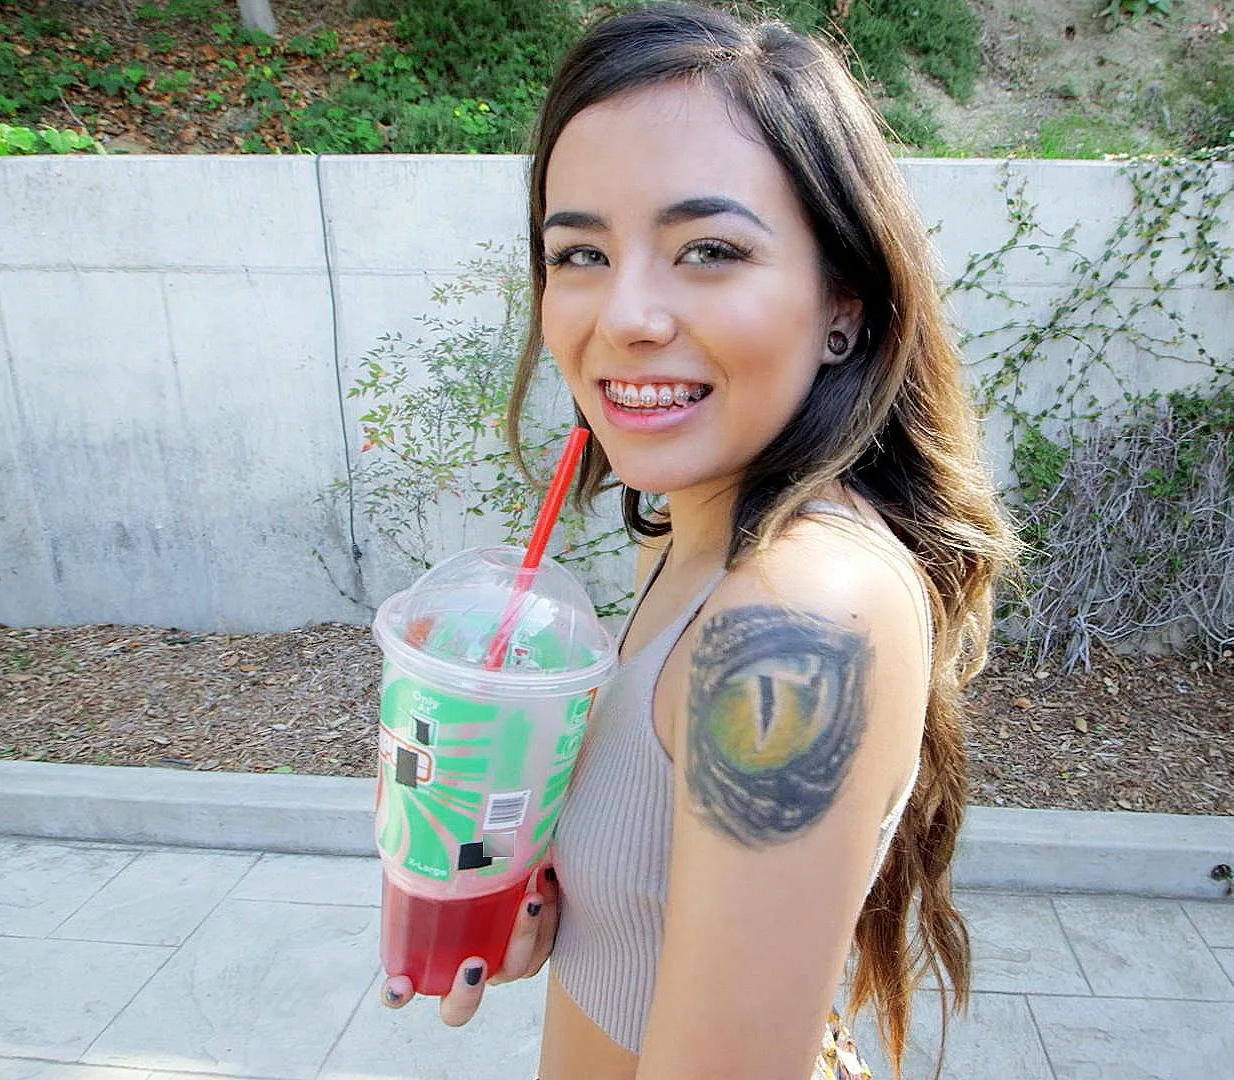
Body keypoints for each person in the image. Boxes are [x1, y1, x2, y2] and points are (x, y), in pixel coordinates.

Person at [380, 5, 1015, 1077]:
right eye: (580, 252)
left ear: (844, 304)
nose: (625, 314)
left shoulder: (790, 620)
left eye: (709, 250)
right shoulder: (684, 533)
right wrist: (557, 898)